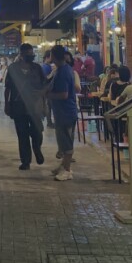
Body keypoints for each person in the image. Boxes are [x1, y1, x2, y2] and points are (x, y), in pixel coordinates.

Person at [5, 43, 47, 169]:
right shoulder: (13, 68)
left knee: (37, 131)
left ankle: (37, 148)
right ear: (21, 55)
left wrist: (44, 104)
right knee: (22, 134)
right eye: (28, 54)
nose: (31, 56)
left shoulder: (37, 68)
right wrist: (7, 104)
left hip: (35, 106)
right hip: (18, 106)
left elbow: (44, 86)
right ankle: (25, 161)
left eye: (31, 53)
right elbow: (7, 88)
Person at [48, 47, 79, 181]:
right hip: (62, 112)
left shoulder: (63, 73)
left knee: (66, 142)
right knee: (63, 141)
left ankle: (66, 170)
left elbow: (64, 94)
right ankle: (63, 166)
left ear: (53, 56)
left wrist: (47, 94)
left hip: (66, 112)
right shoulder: (62, 70)